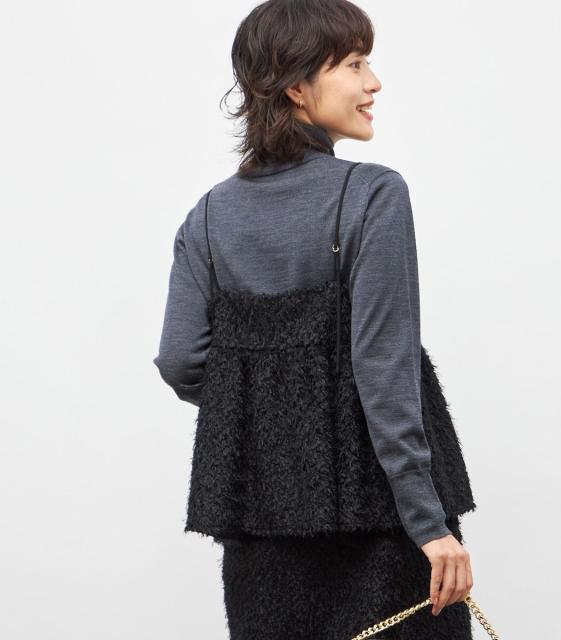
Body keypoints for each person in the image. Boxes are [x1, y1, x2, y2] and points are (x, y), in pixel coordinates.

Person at [153, 1, 476, 637]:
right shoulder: (374, 195)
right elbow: (383, 369)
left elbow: (180, 360)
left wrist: (269, 415)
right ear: (297, 87)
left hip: (263, 520)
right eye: (354, 64)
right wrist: (429, 524)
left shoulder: (208, 217)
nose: (373, 83)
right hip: (380, 518)